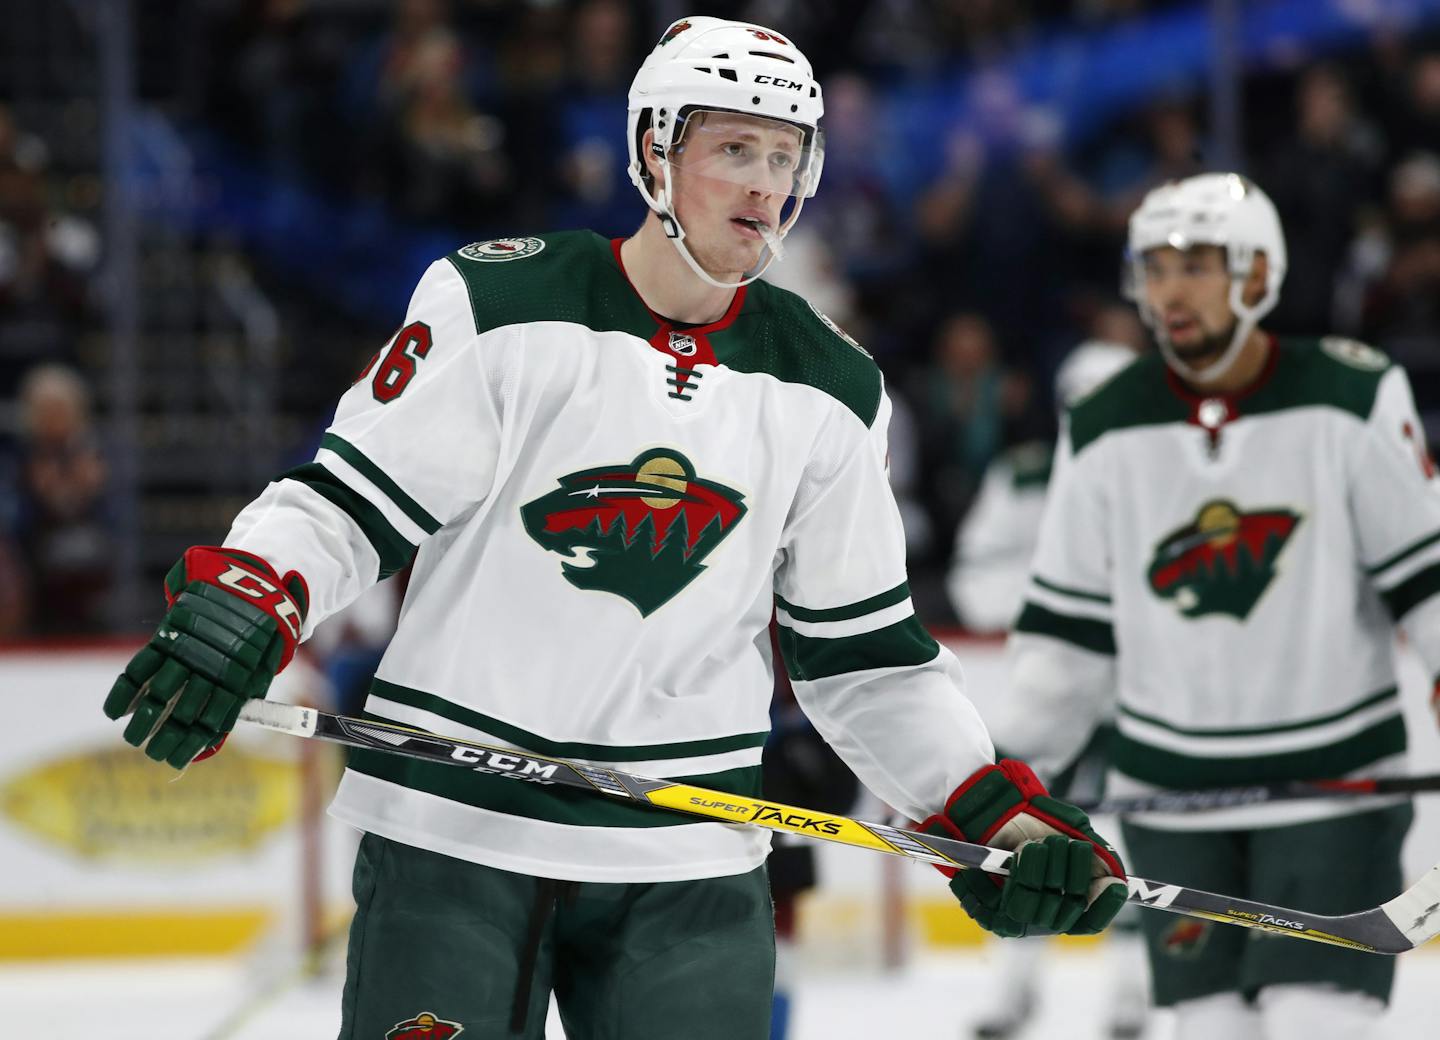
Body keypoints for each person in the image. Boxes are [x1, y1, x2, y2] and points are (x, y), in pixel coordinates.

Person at [101, 18, 1126, 1039]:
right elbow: (348, 502)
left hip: (688, 864)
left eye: (785, 155)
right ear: (654, 152)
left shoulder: (832, 386)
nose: (766, 183)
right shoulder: (503, 300)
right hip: (455, 836)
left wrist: (987, 807)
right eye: (734, 149)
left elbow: (865, 657)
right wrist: (251, 595)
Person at [994, 172, 1440, 1040]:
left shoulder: (1351, 395)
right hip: (1172, 799)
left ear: (1258, 273)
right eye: (1154, 267)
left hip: (1334, 792)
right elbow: (1069, 635)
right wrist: (998, 781)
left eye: (1196, 263)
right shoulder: (1103, 422)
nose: (1170, 290)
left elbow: (1426, 581)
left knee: (1315, 1023)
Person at [946, 332, 1148, 1040]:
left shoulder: (1170, 475)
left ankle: (1134, 993)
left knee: (1133, 842)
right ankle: (1014, 989)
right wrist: (1048, 611)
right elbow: (975, 576)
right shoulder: (1027, 474)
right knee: (1025, 838)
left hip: (1138, 695)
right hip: (1047, 692)